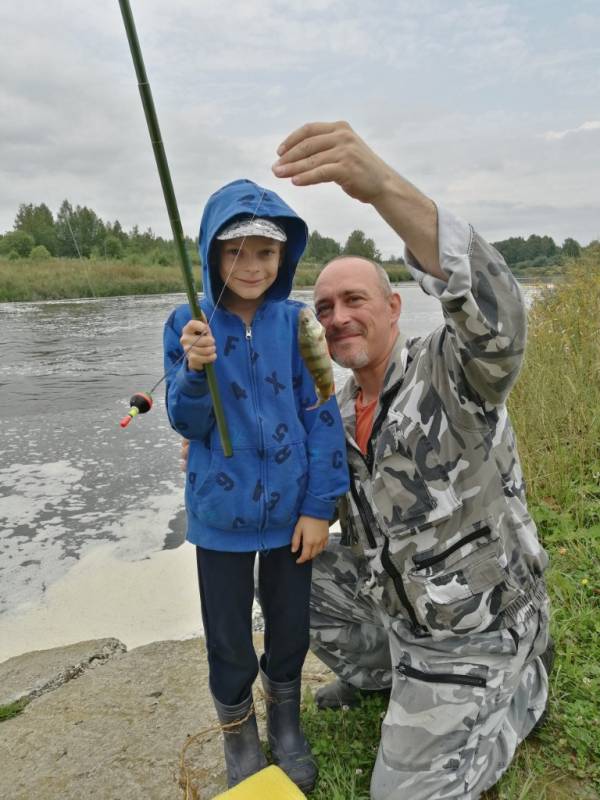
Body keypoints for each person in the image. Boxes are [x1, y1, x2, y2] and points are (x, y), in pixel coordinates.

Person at [269, 122, 552, 799]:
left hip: (475, 629)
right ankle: (387, 676)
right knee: (292, 575)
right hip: (401, 616)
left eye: (354, 300)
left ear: (396, 308)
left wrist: (382, 189)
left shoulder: (452, 374)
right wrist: (213, 428)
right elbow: (287, 493)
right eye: (324, 307)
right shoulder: (330, 419)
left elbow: (499, 318)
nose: (337, 316)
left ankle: (521, 684)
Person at [163, 178, 349, 793]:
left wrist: (319, 506)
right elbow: (186, 421)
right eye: (235, 251)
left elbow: (322, 415)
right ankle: (239, 735)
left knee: (290, 627)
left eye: (266, 252)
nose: (252, 265)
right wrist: (194, 371)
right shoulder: (187, 323)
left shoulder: (297, 323)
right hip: (220, 519)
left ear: (285, 257)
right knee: (229, 639)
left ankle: (286, 722)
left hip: (292, 513)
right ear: (212, 255)